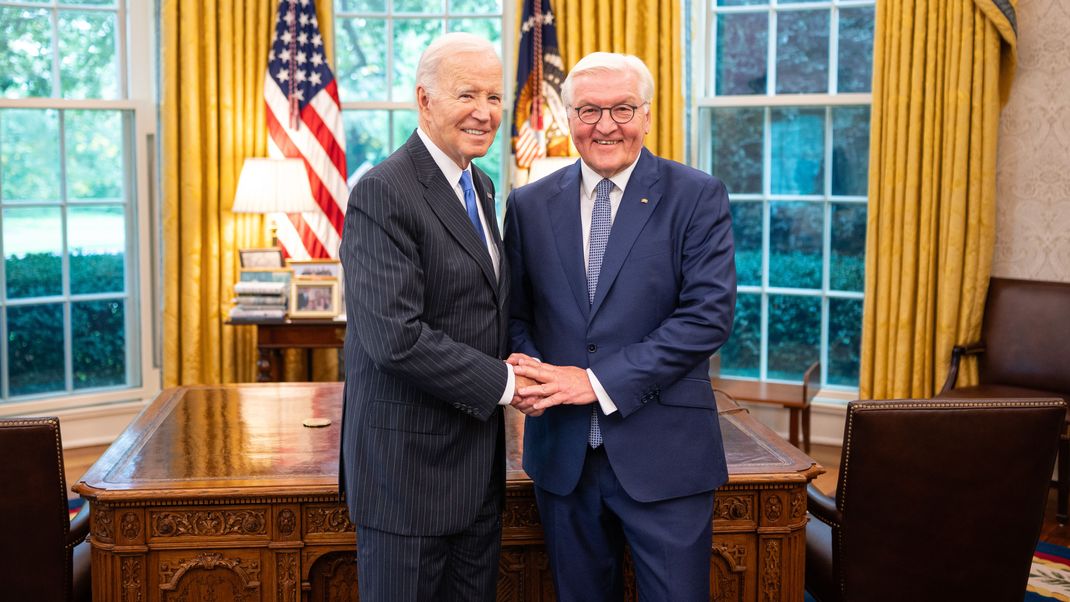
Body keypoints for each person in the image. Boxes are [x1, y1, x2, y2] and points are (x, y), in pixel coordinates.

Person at [503, 52, 736, 601]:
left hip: (667, 459)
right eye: (588, 111)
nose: (605, 126)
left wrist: (595, 381)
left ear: (648, 116)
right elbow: (515, 315)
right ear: (569, 118)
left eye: (622, 109)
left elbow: (707, 318)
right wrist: (532, 374)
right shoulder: (529, 204)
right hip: (562, 461)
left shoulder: (696, 195)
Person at [338, 32, 530, 601]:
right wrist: (510, 383)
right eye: (467, 95)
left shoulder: (483, 185)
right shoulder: (382, 191)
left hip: (476, 473)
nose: (485, 112)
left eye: (495, 97)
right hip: (407, 480)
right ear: (424, 100)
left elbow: (483, 307)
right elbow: (395, 338)